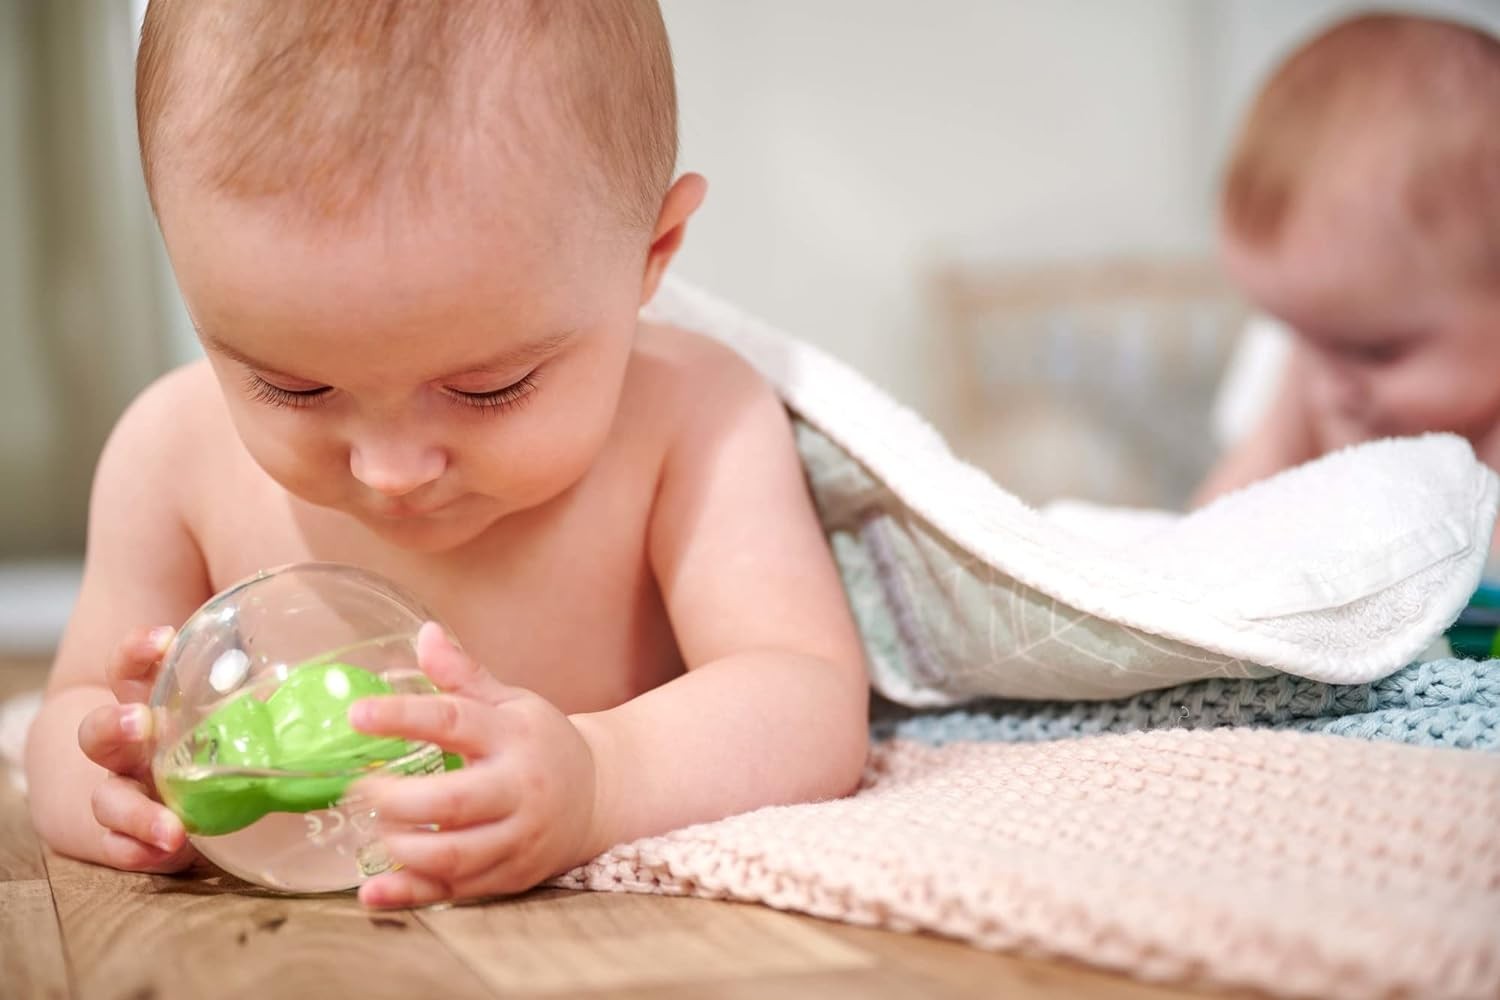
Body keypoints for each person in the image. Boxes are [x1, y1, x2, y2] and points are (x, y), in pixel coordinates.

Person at [24, 0, 869, 909]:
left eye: (487, 389)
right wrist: (115, 782)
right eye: (293, 388)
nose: (390, 472)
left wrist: (606, 773)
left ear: (651, 256)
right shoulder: (169, 453)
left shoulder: (694, 418)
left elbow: (806, 694)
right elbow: (70, 711)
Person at [1194, 13, 1500, 508]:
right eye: (1299, 334)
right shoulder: (1315, 356)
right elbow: (1221, 522)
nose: (1328, 391)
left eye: (1375, 352)